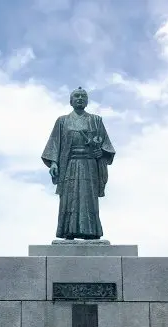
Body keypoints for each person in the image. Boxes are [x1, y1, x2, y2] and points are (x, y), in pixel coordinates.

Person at [41, 87, 116, 240]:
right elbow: (55, 144)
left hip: (90, 166)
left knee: (89, 198)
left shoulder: (96, 120)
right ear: (71, 101)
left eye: (83, 96)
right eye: (76, 96)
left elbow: (106, 146)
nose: (80, 98)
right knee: (69, 198)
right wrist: (54, 163)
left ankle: (92, 232)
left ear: (87, 101)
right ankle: (68, 232)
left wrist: (100, 152)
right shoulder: (62, 121)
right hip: (69, 165)